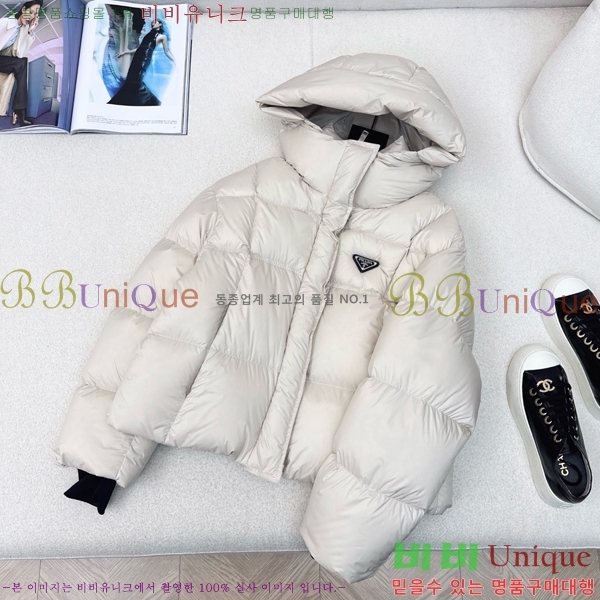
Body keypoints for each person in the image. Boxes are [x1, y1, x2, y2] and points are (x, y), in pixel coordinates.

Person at [108, 19, 174, 107]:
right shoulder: (148, 35)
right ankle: (132, 100)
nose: (153, 23)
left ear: (160, 24)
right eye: (152, 23)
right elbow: (140, 48)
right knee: (131, 78)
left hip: (145, 57)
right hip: (137, 56)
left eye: (155, 22)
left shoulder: (162, 37)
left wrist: (174, 60)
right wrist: (125, 52)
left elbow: (167, 51)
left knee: (137, 78)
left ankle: (150, 102)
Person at [0, 0, 42, 126]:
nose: (32, 16)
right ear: (23, 9)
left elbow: (20, 54)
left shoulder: (22, 29)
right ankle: (20, 113)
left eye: (35, 14)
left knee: (22, 62)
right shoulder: (5, 22)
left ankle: (20, 112)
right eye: (31, 12)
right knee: (22, 63)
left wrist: (30, 31)